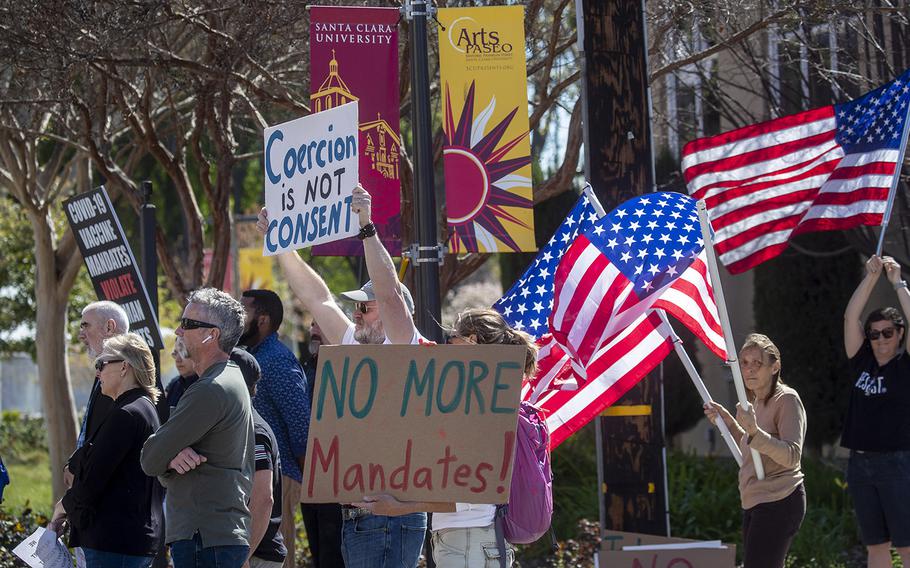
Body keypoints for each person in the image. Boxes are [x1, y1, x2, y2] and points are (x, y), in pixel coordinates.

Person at [257, 185, 425, 568]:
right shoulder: (355, 343)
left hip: (392, 515)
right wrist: (280, 244)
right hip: (357, 515)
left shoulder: (406, 345)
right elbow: (318, 298)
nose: (357, 314)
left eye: (365, 307)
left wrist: (366, 226)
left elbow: (390, 295)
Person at [140, 288, 255, 568]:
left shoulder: (209, 389)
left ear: (212, 335)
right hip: (215, 535)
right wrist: (172, 456)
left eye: (189, 324)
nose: (179, 330)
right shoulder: (229, 378)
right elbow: (160, 458)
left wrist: (166, 456)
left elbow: (149, 458)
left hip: (204, 537)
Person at [50, 333, 164, 568]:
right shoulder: (143, 408)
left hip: (114, 543)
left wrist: (63, 507)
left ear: (124, 367)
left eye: (101, 364)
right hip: (132, 540)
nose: (97, 372)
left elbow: (93, 479)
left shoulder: (127, 414)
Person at [703, 333, 806, 568]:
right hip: (755, 499)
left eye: (757, 363)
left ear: (774, 366)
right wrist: (729, 422)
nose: (749, 369)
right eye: (744, 363)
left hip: (780, 498)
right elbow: (753, 447)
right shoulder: (755, 403)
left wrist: (755, 432)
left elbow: (792, 456)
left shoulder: (787, 399)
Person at [841, 254, 910, 568]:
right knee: (876, 546)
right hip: (861, 463)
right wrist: (870, 277)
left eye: (887, 332)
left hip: (898, 463)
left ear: (900, 334)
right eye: (874, 334)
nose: (880, 339)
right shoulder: (861, 360)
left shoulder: (904, 364)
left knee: (907, 546)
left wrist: (897, 283)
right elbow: (850, 317)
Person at [239, 289, 311, 568]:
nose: (237, 316)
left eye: (244, 311)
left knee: (277, 556)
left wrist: (304, 479)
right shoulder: (254, 356)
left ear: (263, 319)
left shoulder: (277, 360)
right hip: (261, 474)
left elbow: (301, 425)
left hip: (281, 478)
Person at [229, 348, 287, 568]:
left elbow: (263, 499)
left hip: (257, 556)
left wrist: (242, 556)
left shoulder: (254, 431)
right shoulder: (239, 425)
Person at [67, 301, 130, 488]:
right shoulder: (105, 369)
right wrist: (73, 464)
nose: (80, 335)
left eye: (86, 326)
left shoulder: (134, 374)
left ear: (109, 327)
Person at [298, 320, 346, 568]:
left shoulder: (347, 367)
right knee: (319, 552)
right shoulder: (306, 367)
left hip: (339, 476)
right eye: (312, 325)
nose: (313, 331)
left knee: (333, 554)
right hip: (311, 474)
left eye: (320, 323)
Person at [165, 337, 199, 408]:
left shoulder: (204, 385)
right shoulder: (174, 384)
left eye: (183, 353)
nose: (178, 359)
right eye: (175, 353)